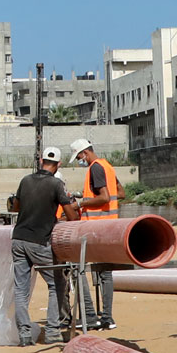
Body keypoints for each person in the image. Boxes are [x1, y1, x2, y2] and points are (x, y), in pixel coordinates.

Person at [7, 147, 80, 345]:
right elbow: (71, 216)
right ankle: (52, 332)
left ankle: (23, 335)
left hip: (18, 239)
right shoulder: (57, 184)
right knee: (57, 283)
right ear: (58, 165)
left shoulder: (25, 181)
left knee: (21, 289)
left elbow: (15, 207)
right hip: (40, 242)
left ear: (41, 161)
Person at [64, 137, 120, 329]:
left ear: (85, 153)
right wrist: (86, 196)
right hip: (109, 225)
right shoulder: (107, 166)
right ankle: (107, 318)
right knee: (105, 273)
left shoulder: (95, 167)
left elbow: (103, 197)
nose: (80, 160)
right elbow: (119, 193)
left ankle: (90, 315)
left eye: (79, 157)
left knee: (79, 268)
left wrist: (82, 202)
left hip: (96, 227)